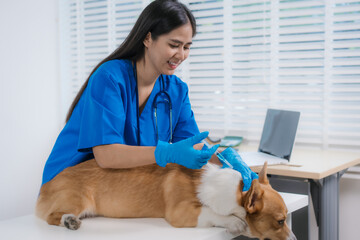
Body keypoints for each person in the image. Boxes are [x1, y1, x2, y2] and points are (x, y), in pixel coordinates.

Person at [41, 0, 257, 191]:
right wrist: (167, 153)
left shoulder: (176, 90)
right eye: (174, 45)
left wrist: (223, 156)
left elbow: (189, 146)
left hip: (115, 189)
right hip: (70, 187)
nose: (181, 55)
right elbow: (106, 156)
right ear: (147, 38)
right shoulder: (109, 78)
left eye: (187, 47)